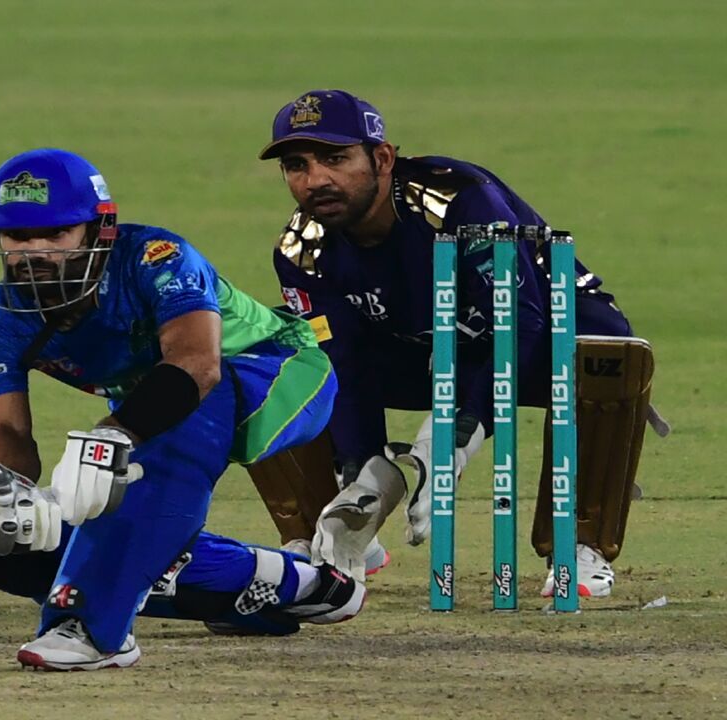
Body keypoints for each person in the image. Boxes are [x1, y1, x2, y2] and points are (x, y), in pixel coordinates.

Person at [0, 148, 365, 671]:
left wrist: (111, 437)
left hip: (279, 373)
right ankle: (285, 583)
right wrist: (12, 492)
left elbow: (197, 366)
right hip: (155, 409)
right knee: (15, 555)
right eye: (18, 237)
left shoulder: (156, 257)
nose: (35, 251)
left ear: (99, 230)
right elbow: (4, 426)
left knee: (150, 445)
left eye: (56, 234)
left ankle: (95, 629)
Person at [256, 89, 663, 599]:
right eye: (297, 165)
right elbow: (340, 359)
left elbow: (521, 321)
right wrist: (364, 474)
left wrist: (457, 433)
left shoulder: (459, 201)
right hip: (418, 351)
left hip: (536, 336)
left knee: (610, 355)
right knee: (268, 362)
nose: (315, 180)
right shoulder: (302, 249)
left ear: (382, 157)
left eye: (336, 159)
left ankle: (580, 546)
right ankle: (327, 537)